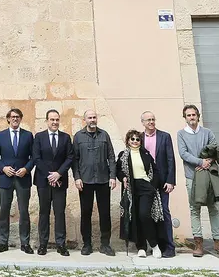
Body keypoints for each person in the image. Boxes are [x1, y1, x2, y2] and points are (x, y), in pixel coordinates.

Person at [177, 104, 219, 257]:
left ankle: (218, 243)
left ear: (198, 116)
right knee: (195, 209)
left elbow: (215, 149)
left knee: (213, 208)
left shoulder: (207, 132)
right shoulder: (181, 134)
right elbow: (183, 153)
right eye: (188, 115)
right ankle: (198, 244)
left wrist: (209, 161)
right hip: (192, 177)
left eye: (193, 115)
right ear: (185, 118)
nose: (191, 117)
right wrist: (201, 162)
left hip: (208, 176)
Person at [72, 109, 117, 256]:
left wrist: (112, 176)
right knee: (86, 213)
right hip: (85, 181)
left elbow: (111, 156)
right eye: (89, 118)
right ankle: (87, 244)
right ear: (84, 120)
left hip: (103, 180)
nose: (92, 120)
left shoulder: (104, 135)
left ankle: (105, 244)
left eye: (94, 117)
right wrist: (77, 177)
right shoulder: (78, 137)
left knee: (105, 213)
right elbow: (75, 159)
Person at [0, 108, 35, 253]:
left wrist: (26, 169)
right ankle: (3, 242)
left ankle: (25, 243)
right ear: (8, 119)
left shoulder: (28, 136)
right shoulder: (1, 135)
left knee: (24, 211)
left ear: (21, 119)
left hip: (23, 178)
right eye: (12, 117)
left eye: (18, 117)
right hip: (6, 178)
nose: (15, 119)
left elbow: (34, 157)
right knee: (4, 211)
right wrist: (3, 168)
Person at [32, 108, 74, 256]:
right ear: (47, 121)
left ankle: (61, 244)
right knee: (44, 213)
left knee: (60, 213)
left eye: (57, 119)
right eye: (52, 119)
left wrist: (58, 174)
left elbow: (70, 157)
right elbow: (36, 158)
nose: (55, 122)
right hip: (43, 181)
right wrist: (50, 176)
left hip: (60, 182)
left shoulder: (65, 138)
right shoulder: (39, 137)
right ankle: (43, 244)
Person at [117, 129, 164, 258]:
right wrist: (123, 178)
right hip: (131, 188)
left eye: (137, 139)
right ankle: (141, 247)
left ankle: (154, 245)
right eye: (132, 139)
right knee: (135, 217)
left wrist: (152, 186)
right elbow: (118, 170)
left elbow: (155, 171)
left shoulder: (146, 154)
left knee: (144, 215)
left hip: (145, 187)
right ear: (128, 141)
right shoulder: (123, 155)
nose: (135, 141)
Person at [140, 111, 177, 258]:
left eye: (153, 119)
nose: (151, 122)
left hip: (162, 182)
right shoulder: (139, 138)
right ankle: (153, 245)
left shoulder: (164, 136)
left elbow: (170, 159)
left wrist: (170, 180)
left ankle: (169, 246)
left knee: (164, 213)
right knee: (147, 214)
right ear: (142, 122)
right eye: (148, 120)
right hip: (145, 182)